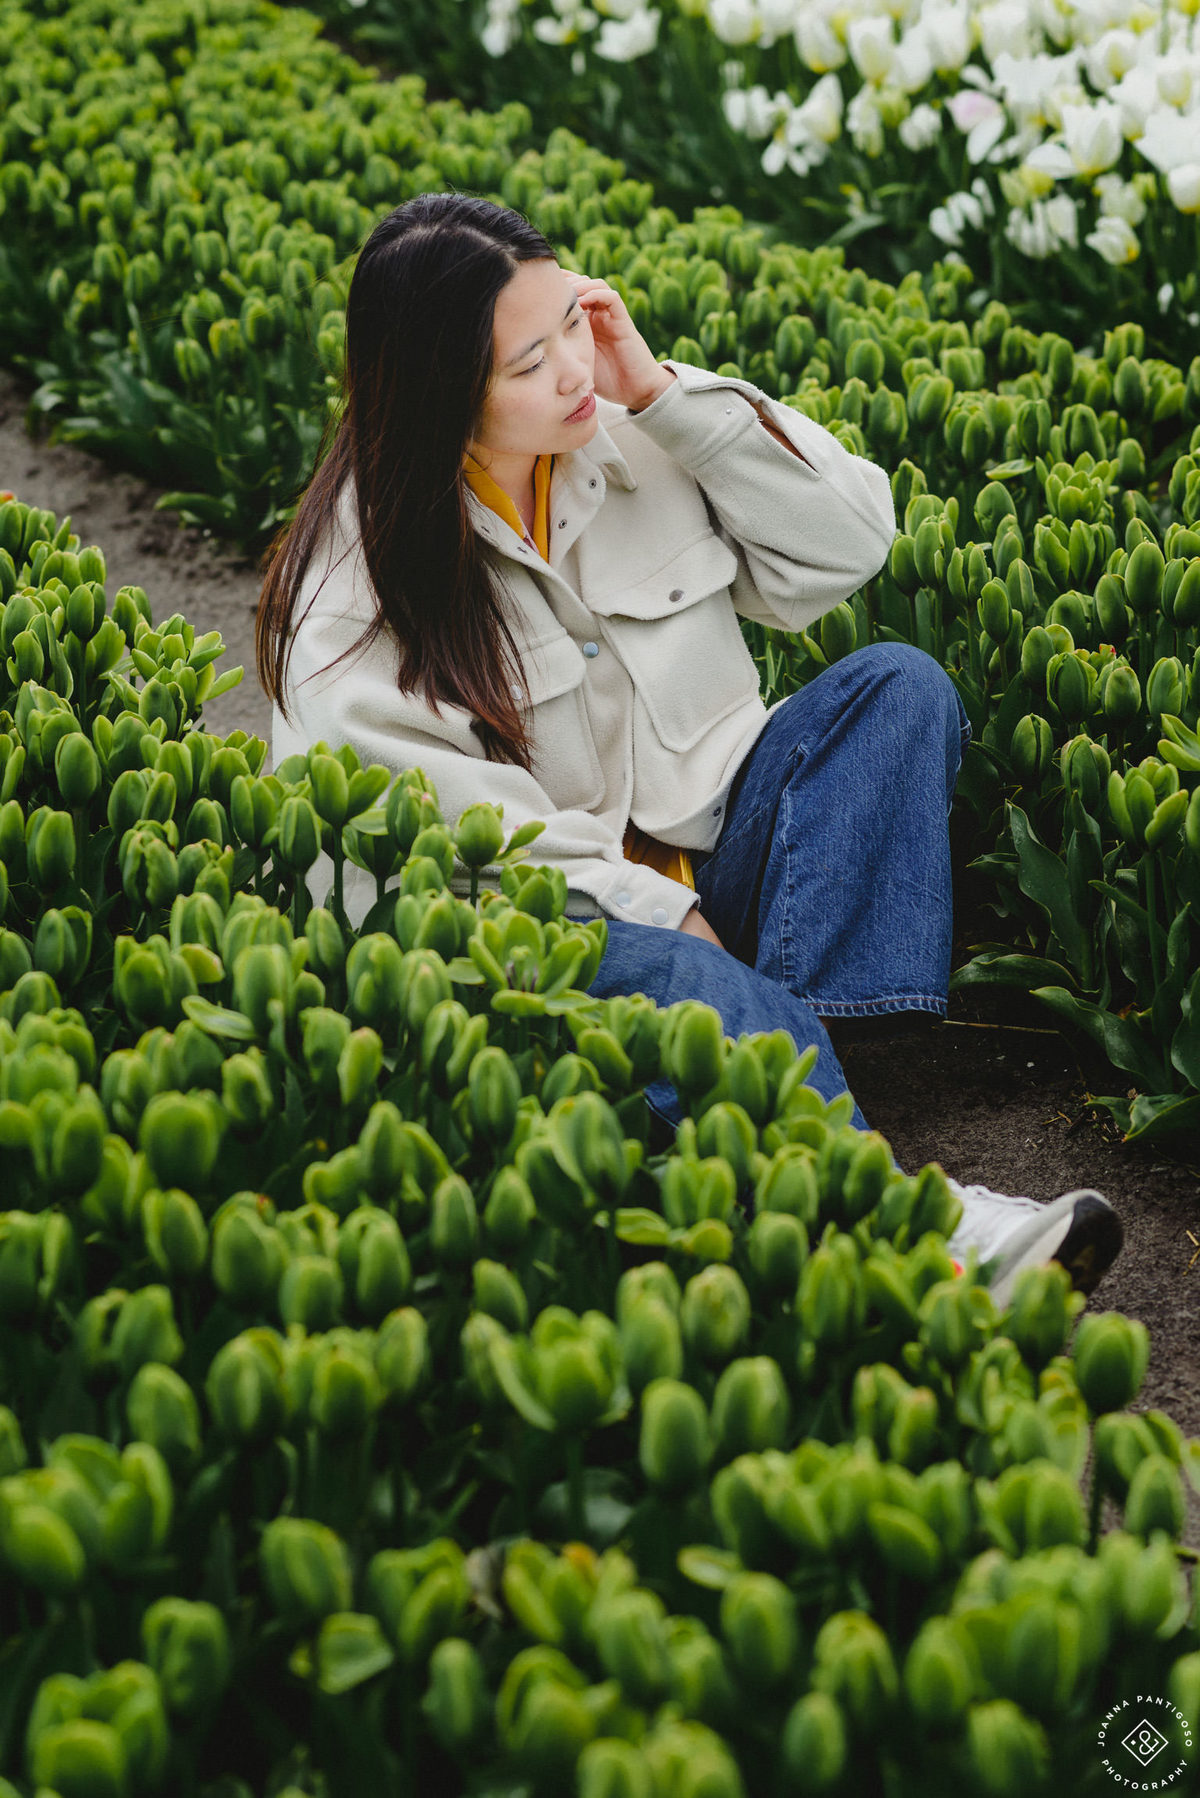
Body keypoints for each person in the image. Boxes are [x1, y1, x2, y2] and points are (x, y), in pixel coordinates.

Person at [257, 192, 1123, 1305]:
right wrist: (671, 922)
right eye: (529, 362)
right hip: (546, 941)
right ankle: (908, 1231)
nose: (574, 369)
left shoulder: (626, 432)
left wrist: (668, 397)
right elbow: (474, 854)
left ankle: (770, 1093)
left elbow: (852, 545)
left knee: (897, 692)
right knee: (677, 971)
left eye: (574, 320)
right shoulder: (353, 597)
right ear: (437, 396)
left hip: (708, 868)